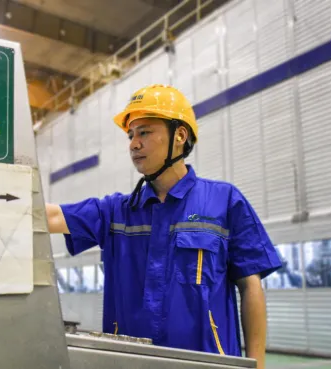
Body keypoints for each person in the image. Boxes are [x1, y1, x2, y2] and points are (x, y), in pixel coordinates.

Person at [45, 84, 282, 369]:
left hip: (209, 364)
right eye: (131, 135)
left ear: (179, 136)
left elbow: (251, 286)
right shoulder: (116, 212)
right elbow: (52, 217)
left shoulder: (224, 201)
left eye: (144, 132)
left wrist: (257, 365)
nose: (133, 144)